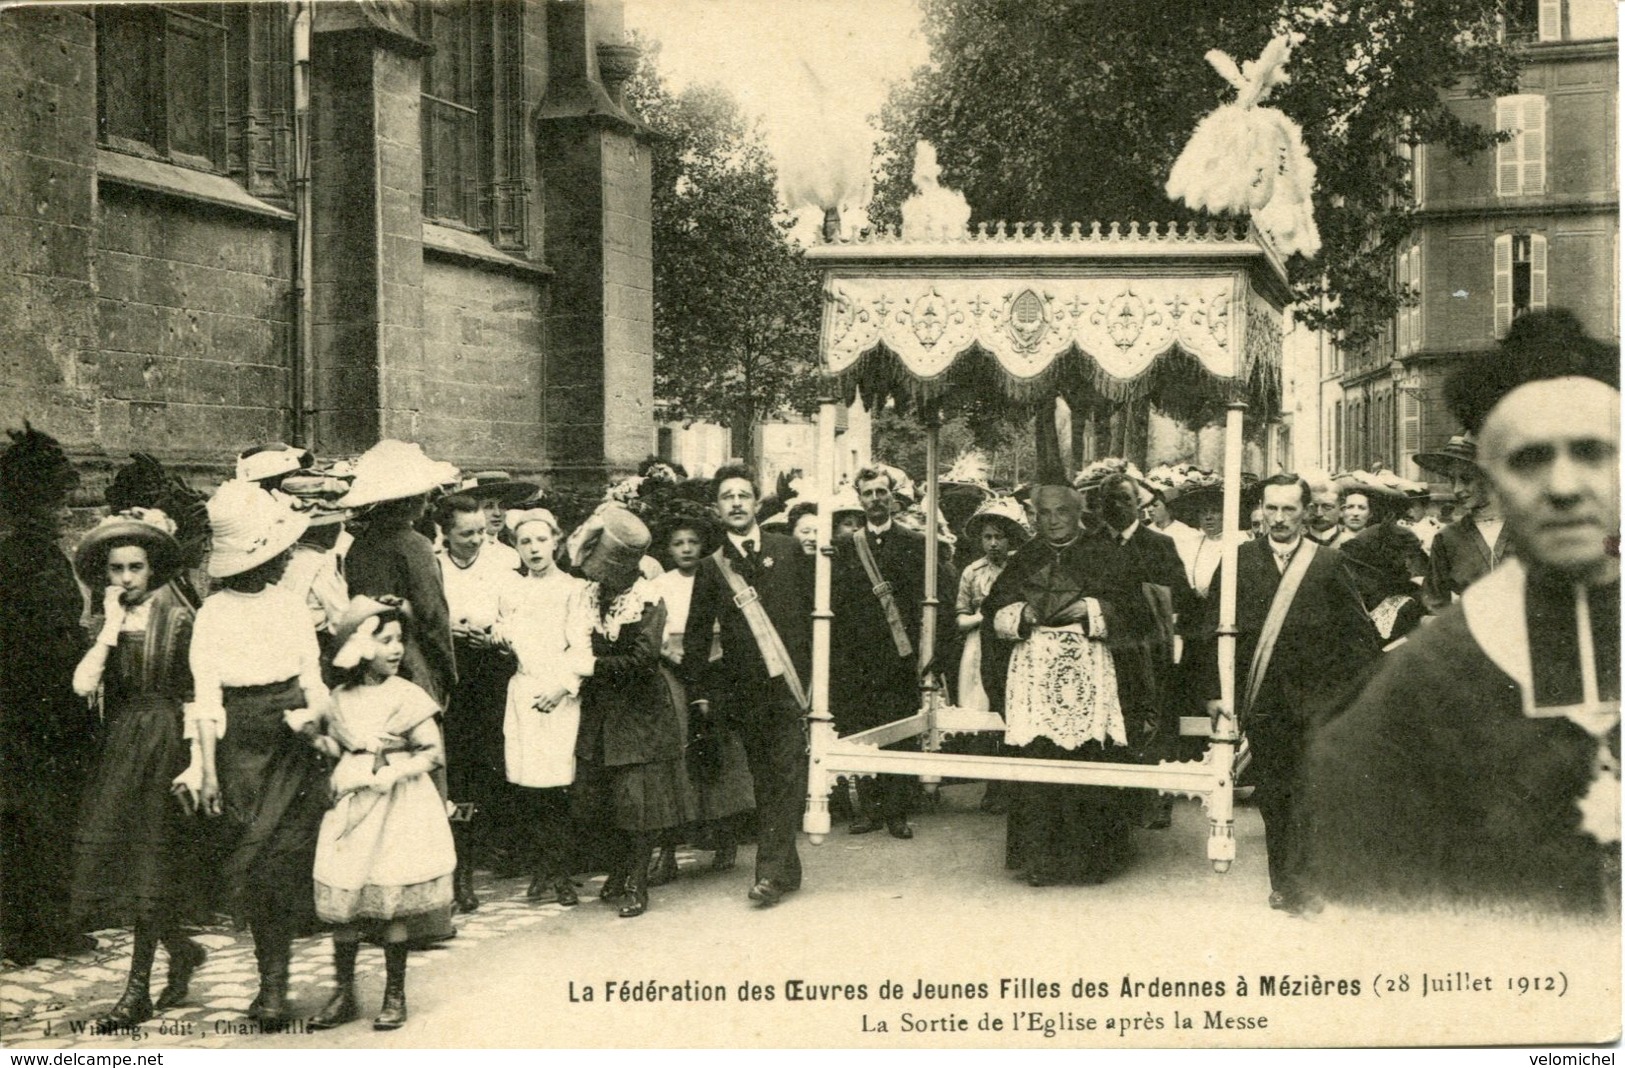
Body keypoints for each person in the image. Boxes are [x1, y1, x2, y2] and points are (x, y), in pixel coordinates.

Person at [1310, 310, 1619, 913]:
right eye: (1529, 459)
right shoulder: (1419, 688)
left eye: (1592, 452)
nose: (1562, 485)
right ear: (1494, 483)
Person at [1202, 474, 1381, 914]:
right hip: (1263, 701)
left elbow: (1359, 637)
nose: (1279, 519)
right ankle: (1283, 881)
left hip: (1318, 701)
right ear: (1260, 510)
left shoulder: (1327, 564)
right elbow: (1208, 632)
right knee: (1276, 794)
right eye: (1271, 509)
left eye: (1289, 510)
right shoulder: (1238, 561)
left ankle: (1308, 883)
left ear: (1307, 512)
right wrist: (1212, 692)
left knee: (1313, 792)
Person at [189, 480, 332, 1022]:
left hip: (296, 743)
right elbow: (206, 698)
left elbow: (312, 678)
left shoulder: (291, 606)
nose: (285, 559)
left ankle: (276, 984)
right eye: (278, 551)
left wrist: (321, 724)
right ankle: (270, 977)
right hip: (242, 747)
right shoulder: (213, 614)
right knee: (254, 862)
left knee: (284, 861)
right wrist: (205, 769)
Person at [67, 509, 207, 1028]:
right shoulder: (108, 617)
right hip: (123, 741)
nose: (125, 578)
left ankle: (136, 992)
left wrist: (195, 763)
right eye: (116, 569)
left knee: (152, 859)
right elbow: (84, 686)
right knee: (132, 862)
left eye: (135, 568)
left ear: (153, 569)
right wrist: (108, 628)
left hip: (166, 739)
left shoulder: (179, 616)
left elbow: (197, 693)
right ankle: (183, 950)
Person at [981, 484, 1157, 886]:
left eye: (1062, 511)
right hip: (1037, 674)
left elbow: (1137, 613)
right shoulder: (1026, 557)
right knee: (1039, 759)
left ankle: (1093, 860)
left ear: (1078, 512)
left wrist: (1093, 608)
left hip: (1094, 673)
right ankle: (1040, 860)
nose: (1054, 520)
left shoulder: (1106, 553)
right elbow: (993, 606)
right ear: (1034, 518)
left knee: (1090, 761)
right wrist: (1021, 611)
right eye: (1044, 513)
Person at [308, 597, 455, 1031]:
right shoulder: (339, 698)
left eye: (399, 640)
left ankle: (394, 994)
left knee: (390, 903)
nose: (395, 649)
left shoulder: (407, 695)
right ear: (358, 646)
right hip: (352, 801)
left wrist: (394, 771)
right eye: (384, 640)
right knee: (347, 898)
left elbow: (432, 753)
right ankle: (344, 993)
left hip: (397, 804)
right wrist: (319, 742)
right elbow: (336, 743)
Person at [681, 463, 814, 907]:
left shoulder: (790, 549)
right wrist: (698, 692)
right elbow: (698, 635)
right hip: (747, 692)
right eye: (727, 497)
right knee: (766, 780)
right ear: (717, 509)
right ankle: (785, 870)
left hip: (794, 687)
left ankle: (771, 874)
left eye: (743, 495)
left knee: (787, 775)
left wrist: (819, 679)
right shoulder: (711, 567)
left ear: (757, 503)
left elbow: (816, 617)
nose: (736, 503)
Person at [0, 425, 97, 966]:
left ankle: (20, 929)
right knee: (46, 815)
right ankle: (44, 928)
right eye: (57, 500)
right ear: (35, 501)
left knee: (20, 817)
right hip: (42, 706)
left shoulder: (16, 554)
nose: (63, 511)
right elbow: (52, 639)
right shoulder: (35, 559)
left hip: (16, 705)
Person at [573, 508, 697, 917]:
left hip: (640, 713)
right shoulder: (591, 596)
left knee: (637, 804)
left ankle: (638, 883)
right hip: (602, 713)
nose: (594, 577)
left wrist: (590, 666)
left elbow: (643, 661)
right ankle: (618, 871)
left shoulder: (647, 600)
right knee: (607, 800)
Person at [831, 466, 950, 840]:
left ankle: (898, 812)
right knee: (865, 730)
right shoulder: (847, 548)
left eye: (882, 492)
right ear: (860, 499)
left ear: (893, 497)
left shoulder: (915, 543)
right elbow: (840, 605)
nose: (876, 500)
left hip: (900, 655)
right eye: (868, 493)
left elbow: (930, 603)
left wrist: (925, 653)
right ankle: (870, 810)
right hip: (859, 656)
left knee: (900, 730)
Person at [493, 508, 594, 906]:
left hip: (559, 697)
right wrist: (499, 634)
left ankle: (562, 873)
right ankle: (541, 871)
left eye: (541, 540)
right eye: (525, 542)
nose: (534, 548)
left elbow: (581, 647)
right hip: (523, 694)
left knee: (559, 789)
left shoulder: (574, 589)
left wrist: (563, 687)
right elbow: (502, 627)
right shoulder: (511, 589)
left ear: (556, 541)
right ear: (516, 548)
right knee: (528, 789)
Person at [646, 511, 753, 880]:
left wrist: (709, 663)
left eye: (692, 542)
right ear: (668, 548)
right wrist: (670, 655)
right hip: (673, 671)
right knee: (677, 753)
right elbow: (653, 632)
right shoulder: (660, 584)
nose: (686, 549)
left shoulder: (717, 574)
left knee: (720, 747)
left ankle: (725, 835)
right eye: (678, 543)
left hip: (716, 666)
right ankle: (669, 851)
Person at [434, 493, 522, 912]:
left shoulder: (501, 563)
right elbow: (426, 614)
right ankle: (460, 875)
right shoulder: (434, 566)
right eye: (465, 533)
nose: (475, 540)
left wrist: (494, 635)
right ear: (444, 533)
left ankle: (501, 849)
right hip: (450, 673)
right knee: (459, 770)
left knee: (493, 762)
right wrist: (450, 629)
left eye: (481, 532)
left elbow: (516, 616)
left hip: (491, 670)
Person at [339, 441, 461, 712]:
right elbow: (433, 616)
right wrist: (447, 673)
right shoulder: (414, 545)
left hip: (365, 656)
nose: (428, 500)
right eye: (424, 494)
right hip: (408, 657)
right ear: (408, 499)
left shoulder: (359, 544)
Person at [1418, 433, 1512, 612]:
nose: (1457, 489)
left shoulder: (1527, 530)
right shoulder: (1447, 538)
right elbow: (1435, 602)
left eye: (1466, 479)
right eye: (1452, 480)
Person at [956, 497, 1030, 713]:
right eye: (987, 537)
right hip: (978, 643)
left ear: (1011, 540)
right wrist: (982, 617)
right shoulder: (972, 572)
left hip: (1014, 641)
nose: (993, 543)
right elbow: (961, 617)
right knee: (978, 700)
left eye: (999, 537)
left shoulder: (1021, 570)